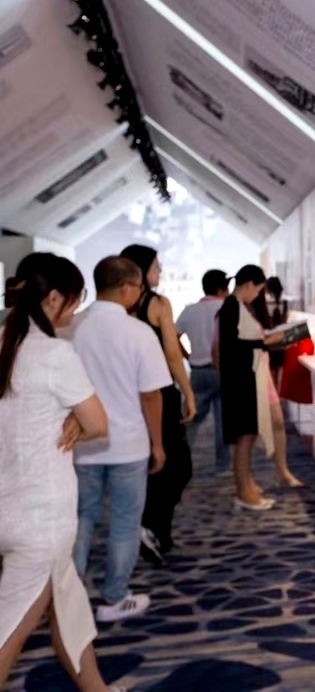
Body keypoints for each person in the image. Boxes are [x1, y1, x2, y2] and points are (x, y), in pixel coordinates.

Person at [0, 255, 127, 692]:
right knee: (8, 638)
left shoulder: (4, 343)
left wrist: (68, 418)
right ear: (54, 298)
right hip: (43, 519)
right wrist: (74, 419)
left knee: (69, 611)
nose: (76, 307)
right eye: (75, 298)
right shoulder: (54, 353)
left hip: (9, 507)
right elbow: (99, 424)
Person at [73, 257, 171, 623]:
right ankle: (114, 597)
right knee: (125, 522)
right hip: (128, 445)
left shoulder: (73, 328)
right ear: (127, 288)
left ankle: (69, 596)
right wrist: (157, 444)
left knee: (80, 519)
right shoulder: (138, 332)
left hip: (81, 444)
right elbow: (151, 394)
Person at [119, 246, 195, 566]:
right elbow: (172, 353)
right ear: (141, 270)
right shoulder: (158, 304)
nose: (160, 271)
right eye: (156, 266)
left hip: (127, 393)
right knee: (175, 466)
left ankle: (155, 530)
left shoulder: (119, 307)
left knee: (149, 463)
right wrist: (188, 392)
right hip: (160, 392)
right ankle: (152, 526)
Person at [217, 265, 282, 510]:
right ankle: (243, 491)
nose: (257, 296)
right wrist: (267, 342)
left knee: (247, 437)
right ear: (248, 285)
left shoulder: (236, 307)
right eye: (257, 290)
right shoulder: (232, 307)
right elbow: (235, 347)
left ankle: (246, 485)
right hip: (241, 383)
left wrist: (263, 342)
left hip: (244, 380)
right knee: (244, 438)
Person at [175, 269, 230, 474]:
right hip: (224, 371)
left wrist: (187, 356)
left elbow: (174, 338)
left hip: (199, 371)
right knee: (223, 421)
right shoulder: (227, 308)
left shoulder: (190, 310)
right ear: (221, 289)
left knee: (192, 418)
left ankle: (182, 461)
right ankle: (223, 466)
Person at [249, 283, 303, 489]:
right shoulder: (238, 310)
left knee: (277, 423)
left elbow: (263, 340)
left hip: (263, 370)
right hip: (251, 373)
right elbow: (257, 342)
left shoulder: (257, 310)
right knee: (249, 432)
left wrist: (284, 337)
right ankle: (246, 480)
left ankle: (282, 471)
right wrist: (288, 336)